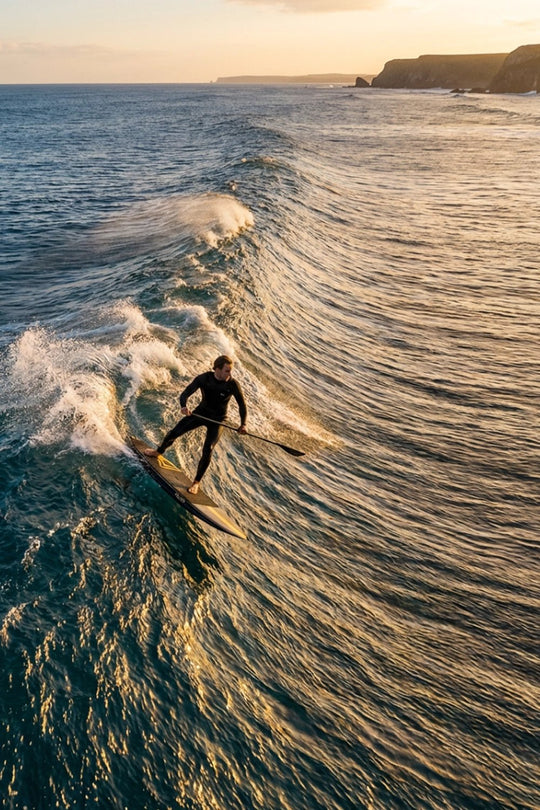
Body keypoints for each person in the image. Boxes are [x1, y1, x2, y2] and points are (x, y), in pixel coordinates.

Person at [144, 355, 247, 494]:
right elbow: (185, 393)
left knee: (208, 449)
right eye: (227, 371)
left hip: (218, 420)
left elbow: (242, 405)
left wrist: (243, 424)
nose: (230, 374)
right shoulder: (204, 378)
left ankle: (196, 482)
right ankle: (158, 452)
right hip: (201, 413)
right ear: (217, 369)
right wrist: (184, 406)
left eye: (230, 371)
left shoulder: (233, 384)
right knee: (174, 433)